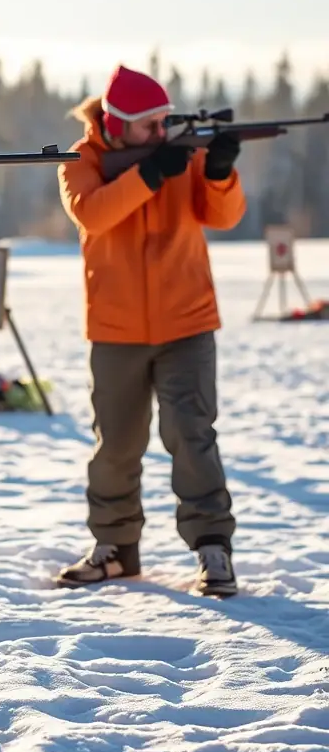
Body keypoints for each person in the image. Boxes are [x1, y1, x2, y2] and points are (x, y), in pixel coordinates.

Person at [55, 64, 245, 598]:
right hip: (115, 329)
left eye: (165, 122)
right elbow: (93, 214)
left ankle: (213, 546)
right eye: (148, 126)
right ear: (115, 123)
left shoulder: (183, 152)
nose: (161, 133)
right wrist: (149, 174)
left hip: (186, 319)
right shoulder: (82, 160)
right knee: (116, 443)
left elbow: (224, 216)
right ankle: (116, 550)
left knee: (191, 435)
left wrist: (220, 174)